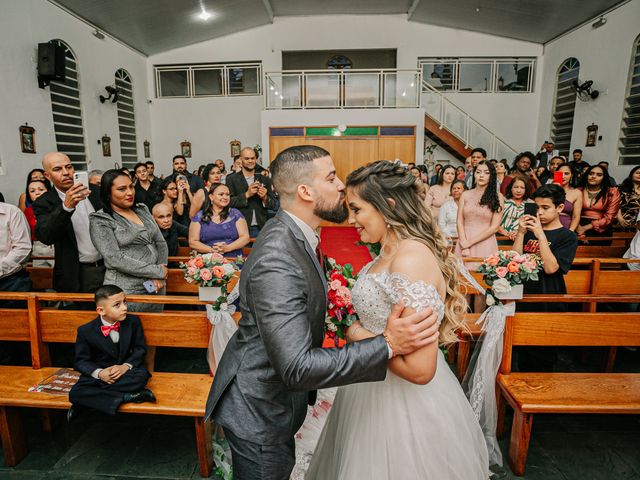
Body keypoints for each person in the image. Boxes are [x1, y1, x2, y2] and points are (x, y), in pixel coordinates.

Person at [205, 145, 442, 480]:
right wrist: (386, 342)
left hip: (275, 398)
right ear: (306, 191)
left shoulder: (298, 237)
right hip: (259, 408)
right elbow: (297, 367)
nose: (342, 185)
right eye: (331, 177)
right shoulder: (278, 256)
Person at [307, 160, 489, 479]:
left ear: (387, 206)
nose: (352, 220)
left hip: (404, 406)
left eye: (358, 209)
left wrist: (355, 333)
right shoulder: (386, 255)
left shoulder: (410, 260)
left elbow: (420, 370)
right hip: (368, 387)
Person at [514, 184, 578, 371]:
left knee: (543, 354)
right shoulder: (528, 232)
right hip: (525, 295)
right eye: (537, 207)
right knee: (521, 352)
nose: (539, 213)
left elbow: (551, 268)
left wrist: (541, 235)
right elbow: (515, 261)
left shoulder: (567, 237)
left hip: (549, 297)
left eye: (545, 207)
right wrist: (521, 233)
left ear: (559, 208)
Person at [67, 285, 156, 420]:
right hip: (101, 372)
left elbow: (140, 349)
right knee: (74, 393)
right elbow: (81, 361)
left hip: (127, 372)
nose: (124, 307)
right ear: (101, 311)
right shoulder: (85, 331)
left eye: (124, 302)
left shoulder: (133, 322)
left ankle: (87, 401)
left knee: (141, 377)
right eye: (117, 305)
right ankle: (126, 397)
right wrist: (100, 373)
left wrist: (125, 366)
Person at [89, 169, 168, 313]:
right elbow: (114, 258)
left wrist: (161, 268)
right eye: (122, 189)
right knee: (130, 331)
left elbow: (160, 242)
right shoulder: (101, 219)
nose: (130, 192)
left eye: (131, 186)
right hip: (126, 289)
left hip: (156, 284)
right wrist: (156, 271)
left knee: (156, 330)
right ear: (108, 193)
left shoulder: (141, 209)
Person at [34, 152, 105, 293]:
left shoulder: (96, 192)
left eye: (69, 167)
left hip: (110, 267)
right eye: (57, 169)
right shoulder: (44, 202)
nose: (66, 173)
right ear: (47, 176)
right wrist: (66, 207)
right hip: (78, 273)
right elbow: (47, 236)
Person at [455, 160, 502, 267]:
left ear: (491, 176)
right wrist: (464, 243)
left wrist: (470, 243)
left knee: (483, 278)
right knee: (460, 278)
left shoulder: (498, 197)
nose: (481, 175)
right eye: (478, 172)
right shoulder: (465, 195)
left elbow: (494, 227)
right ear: (474, 174)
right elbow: (459, 221)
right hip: (464, 239)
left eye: (486, 173)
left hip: (485, 241)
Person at [226, 147, 276, 238]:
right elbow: (228, 202)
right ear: (241, 160)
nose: (250, 161)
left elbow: (273, 204)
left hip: (261, 227)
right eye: (247, 158)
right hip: (239, 226)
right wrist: (247, 194)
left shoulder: (264, 179)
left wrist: (265, 197)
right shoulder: (231, 179)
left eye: (252, 158)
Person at [189, 183, 250, 258]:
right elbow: (193, 242)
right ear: (211, 197)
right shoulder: (200, 216)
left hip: (233, 259)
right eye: (221, 194)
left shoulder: (235, 214)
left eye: (227, 195)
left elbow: (245, 238)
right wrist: (212, 250)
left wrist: (228, 248)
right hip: (208, 260)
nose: (225, 197)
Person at [577, 164, 621, 245]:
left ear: (604, 177)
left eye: (599, 175)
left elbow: (610, 217)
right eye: (591, 173)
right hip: (577, 226)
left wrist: (585, 228)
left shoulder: (612, 192)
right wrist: (579, 230)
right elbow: (572, 213)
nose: (593, 176)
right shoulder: (578, 190)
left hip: (602, 229)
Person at [22, 178, 55, 267]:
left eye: (41, 189)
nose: (37, 193)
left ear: (48, 191)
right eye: (32, 191)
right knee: (40, 277)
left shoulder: (57, 207)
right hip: (37, 248)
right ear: (29, 195)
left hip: (57, 246)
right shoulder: (28, 211)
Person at [498, 174, 532, 241]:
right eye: (516, 187)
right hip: (501, 238)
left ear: (526, 189)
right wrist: (507, 233)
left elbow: (531, 224)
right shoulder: (502, 201)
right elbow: (494, 222)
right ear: (511, 188)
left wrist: (518, 232)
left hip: (522, 239)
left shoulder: (530, 203)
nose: (518, 191)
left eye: (522, 188)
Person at [556, 163, 582, 231]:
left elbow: (576, 216)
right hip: (546, 226)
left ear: (571, 175)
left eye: (566, 173)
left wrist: (570, 232)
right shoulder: (549, 189)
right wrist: (554, 187)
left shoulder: (576, 193)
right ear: (556, 174)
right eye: (560, 173)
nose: (563, 176)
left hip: (565, 227)